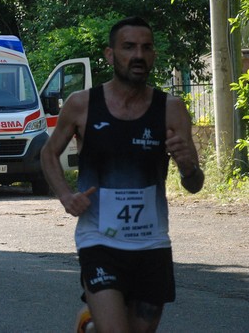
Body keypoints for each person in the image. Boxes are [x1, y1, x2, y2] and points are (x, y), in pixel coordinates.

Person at [40, 17, 204, 333]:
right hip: (98, 238)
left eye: (146, 47)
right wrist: (65, 195)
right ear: (110, 54)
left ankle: (90, 325)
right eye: (128, 47)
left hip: (152, 243)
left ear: (154, 55)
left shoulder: (171, 109)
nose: (138, 55)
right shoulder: (82, 105)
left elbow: (194, 185)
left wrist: (189, 167)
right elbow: (48, 153)